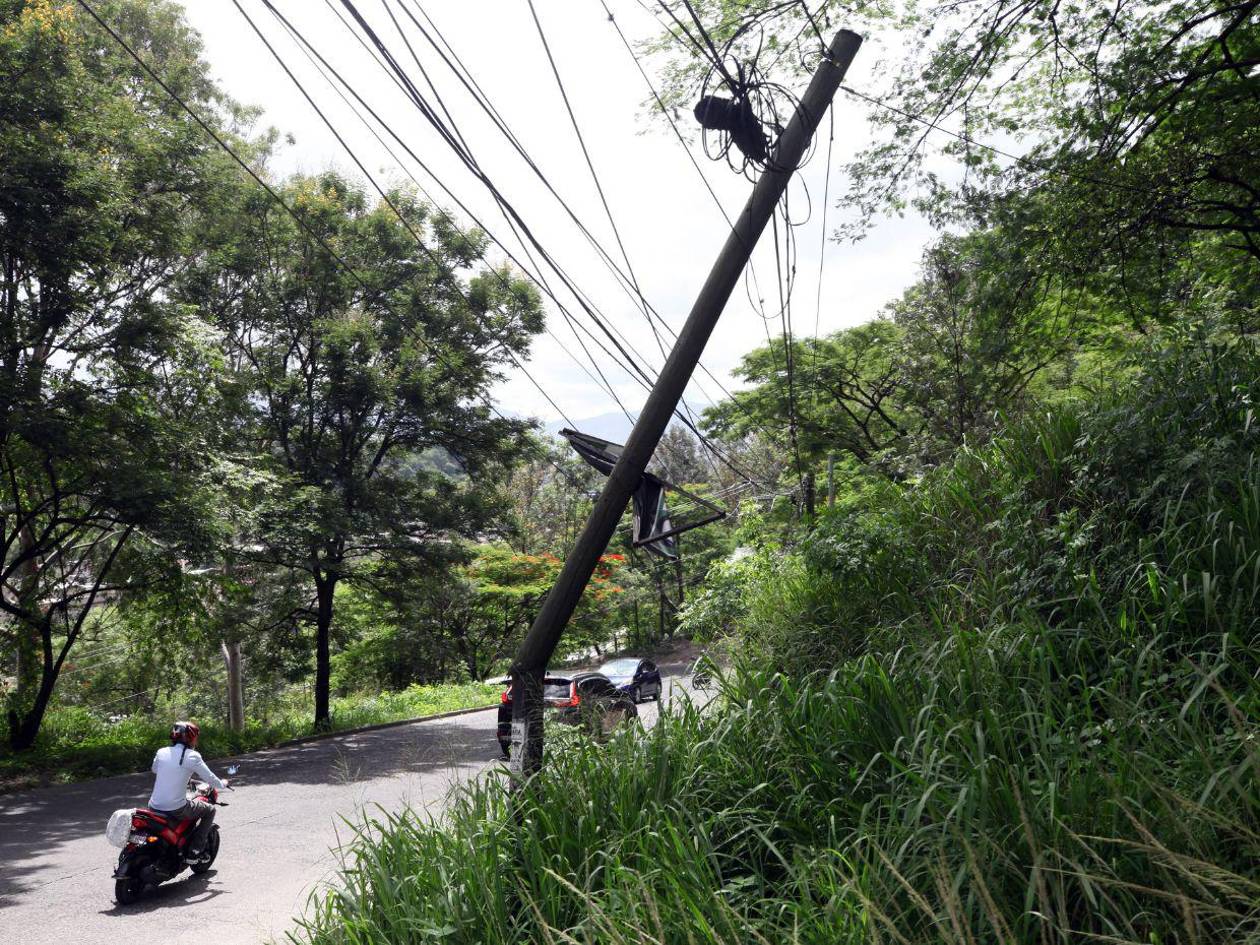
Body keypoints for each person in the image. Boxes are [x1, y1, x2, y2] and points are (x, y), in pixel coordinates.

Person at [147, 721, 229, 863]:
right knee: (209, 810)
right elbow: (210, 778)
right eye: (195, 736)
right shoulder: (192, 756)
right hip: (176, 809)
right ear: (190, 737)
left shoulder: (161, 752)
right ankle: (195, 851)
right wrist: (222, 784)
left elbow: (155, 769)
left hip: (153, 807)